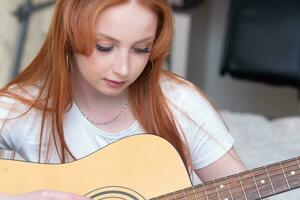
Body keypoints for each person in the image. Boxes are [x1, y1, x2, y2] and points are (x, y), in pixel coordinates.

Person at [0, 0, 246, 199]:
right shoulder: (26, 107)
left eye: (141, 49)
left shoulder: (181, 103)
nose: (123, 68)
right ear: (70, 36)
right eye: (105, 47)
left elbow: (244, 189)